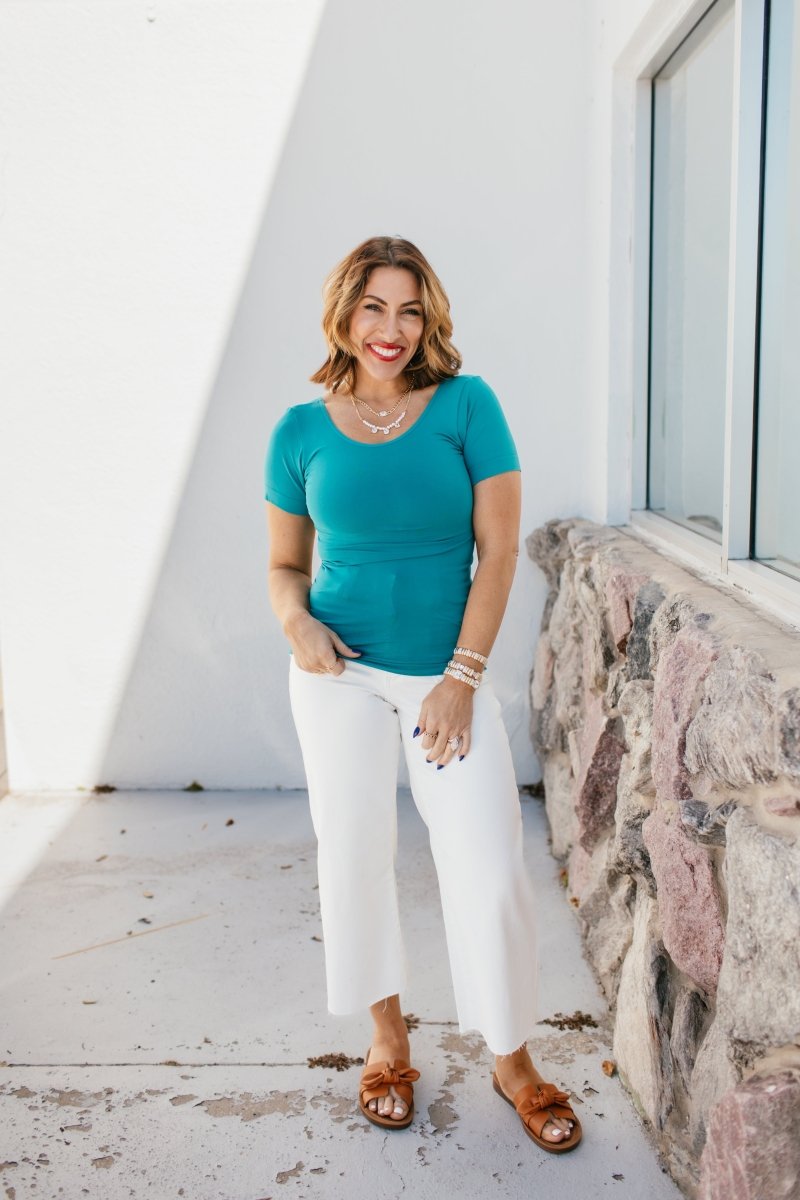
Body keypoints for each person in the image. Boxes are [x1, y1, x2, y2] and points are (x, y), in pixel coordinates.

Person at [264, 236, 581, 1153]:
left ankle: (511, 1058)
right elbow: (284, 567)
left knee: (487, 863)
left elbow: (501, 552)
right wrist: (297, 624)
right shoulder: (298, 430)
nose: (391, 328)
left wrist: (461, 679)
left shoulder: (469, 406)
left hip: (446, 677)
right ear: (344, 314)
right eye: (374, 307)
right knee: (353, 851)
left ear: (428, 317)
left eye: (409, 309)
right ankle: (387, 1040)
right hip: (338, 677)